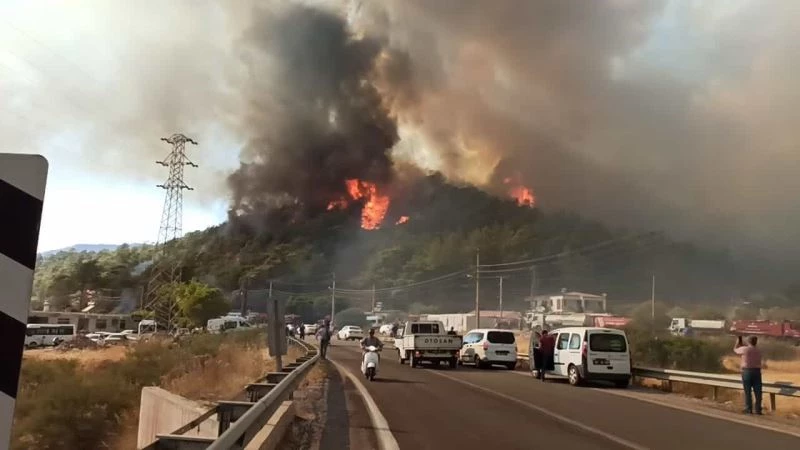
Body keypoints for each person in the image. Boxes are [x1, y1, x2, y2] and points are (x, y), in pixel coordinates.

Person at [734, 335, 763, 414]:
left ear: (748, 341)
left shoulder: (744, 349)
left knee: (748, 391)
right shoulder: (758, 350)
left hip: (747, 371)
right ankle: (758, 409)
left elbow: (735, 350)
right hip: (757, 371)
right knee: (758, 391)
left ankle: (748, 408)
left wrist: (737, 342)